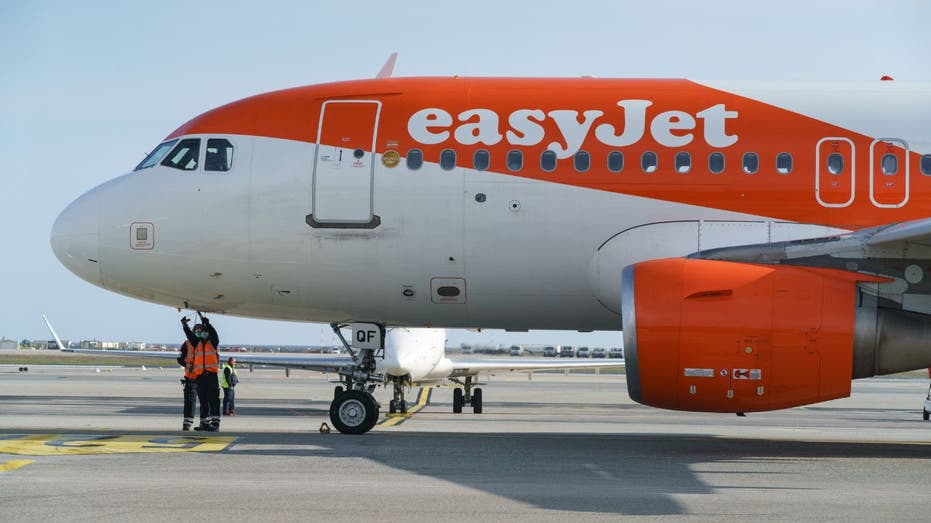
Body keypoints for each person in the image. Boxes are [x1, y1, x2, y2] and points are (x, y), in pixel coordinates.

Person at [182, 315, 221, 432]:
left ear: (207, 333)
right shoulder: (197, 343)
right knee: (203, 401)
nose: (202, 333)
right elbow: (189, 335)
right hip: (200, 377)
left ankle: (215, 423)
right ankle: (205, 423)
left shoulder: (213, 342)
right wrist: (185, 325)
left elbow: (214, 334)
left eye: (204, 331)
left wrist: (208, 324)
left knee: (213, 400)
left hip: (211, 376)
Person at [177, 338, 198, 431]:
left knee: (206, 401)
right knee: (189, 401)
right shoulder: (187, 343)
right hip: (191, 378)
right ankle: (187, 422)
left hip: (205, 377)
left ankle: (205, 422)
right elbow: (180, 358)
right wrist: (187, 365)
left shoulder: (207, 342)